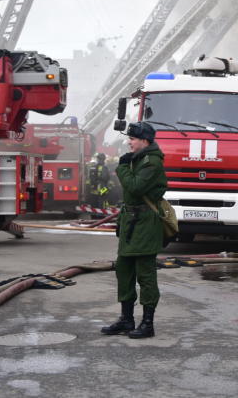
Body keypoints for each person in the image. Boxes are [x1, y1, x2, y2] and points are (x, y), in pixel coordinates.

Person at [101, 122, 167, 339]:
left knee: (145, 274)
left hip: (145, 223)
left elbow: (137, 187)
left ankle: (148, 323)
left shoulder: (152, 162)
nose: (129, 142)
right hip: (131, 222)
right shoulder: (139, 159)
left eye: (133, 139)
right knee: (124, 270)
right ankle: (126, 320)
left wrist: (121, 168)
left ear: (144, 141)